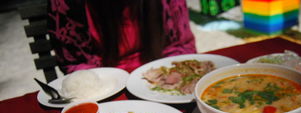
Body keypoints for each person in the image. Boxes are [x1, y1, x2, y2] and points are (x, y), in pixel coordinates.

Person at [47, 0, 197, 74]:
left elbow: (181, 45)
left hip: (160, 76)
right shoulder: (68, 3)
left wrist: (170, 76)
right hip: (106, 86)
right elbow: (74, 63)